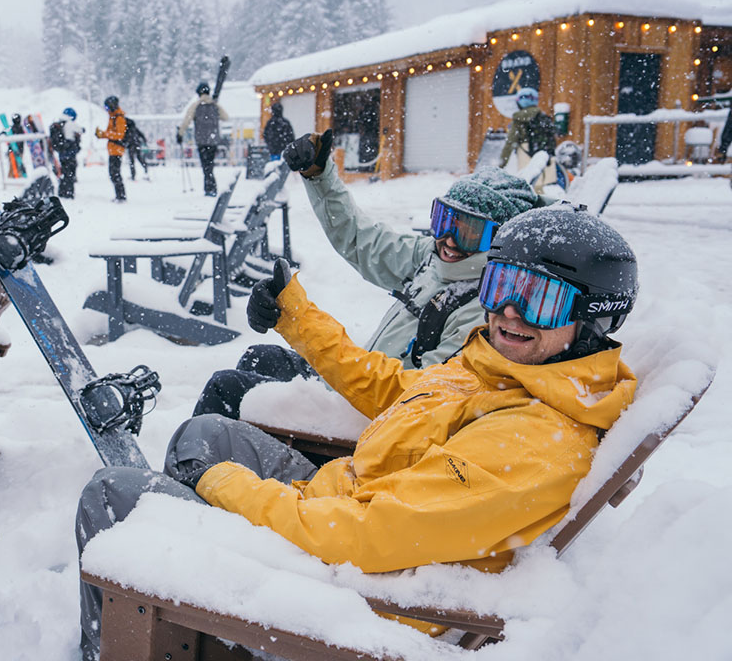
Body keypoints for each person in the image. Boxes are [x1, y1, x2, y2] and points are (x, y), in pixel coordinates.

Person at [76, 204, 639, 658]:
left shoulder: (535, 443)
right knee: (204, 434)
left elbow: (359, 537)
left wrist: (223, 486)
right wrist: (295, 316)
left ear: (593, 317)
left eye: (537, 299)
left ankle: (158, 621)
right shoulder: (500, 370)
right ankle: (180, 609)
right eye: (500, 287)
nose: (509, 313)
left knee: (112, 494)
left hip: (344, 595)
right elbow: (396, 391)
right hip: (340, 507)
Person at [193, 131, 539, 419]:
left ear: (500, 239)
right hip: (358, 386)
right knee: (259, 358)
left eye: (468, 232)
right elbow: (362, 239)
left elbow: (413, 397)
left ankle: (201, 489)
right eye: (444, 220)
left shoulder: (485, 311)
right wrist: (319, 174)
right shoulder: (433, 261)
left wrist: (300, 320)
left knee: (226, 390)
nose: (448, 239)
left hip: (372, 419)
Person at [498, 87, 558, 192]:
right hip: (545, 156)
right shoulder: (544, 117)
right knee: (542, 189)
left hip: (526, 155)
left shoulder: (519, 119)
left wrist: (502, 163)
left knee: (528, 186)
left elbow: (510, 142)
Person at [177, 81, 229, 196]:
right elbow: (226, 117)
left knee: (205, 164)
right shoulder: (215, 105)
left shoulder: (195, 106)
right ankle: (211, 186)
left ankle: (209, 187)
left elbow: (187, 120)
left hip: (201, 140)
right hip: (213, 139)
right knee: (210, 164)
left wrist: (180, 133)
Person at [95, 95, 127, 202]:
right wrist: (102, 135)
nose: (107, 110)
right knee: (113, 173)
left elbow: (119, 135)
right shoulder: (113, 117)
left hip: (117, 149)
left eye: (108, 108)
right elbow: (112, 133)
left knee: (115, 173)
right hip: (113, 149)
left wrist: (104, 134)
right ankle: (119, 195)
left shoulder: (119, 118)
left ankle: (121, 196)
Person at [49, 107, 83, 199]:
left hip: (62, 153)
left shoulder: (59, 123)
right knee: (70, 173)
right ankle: (69, 193)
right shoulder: (69, 124)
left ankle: (62, 191)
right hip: (69, 153)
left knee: (64, 172)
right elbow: (81, 130)